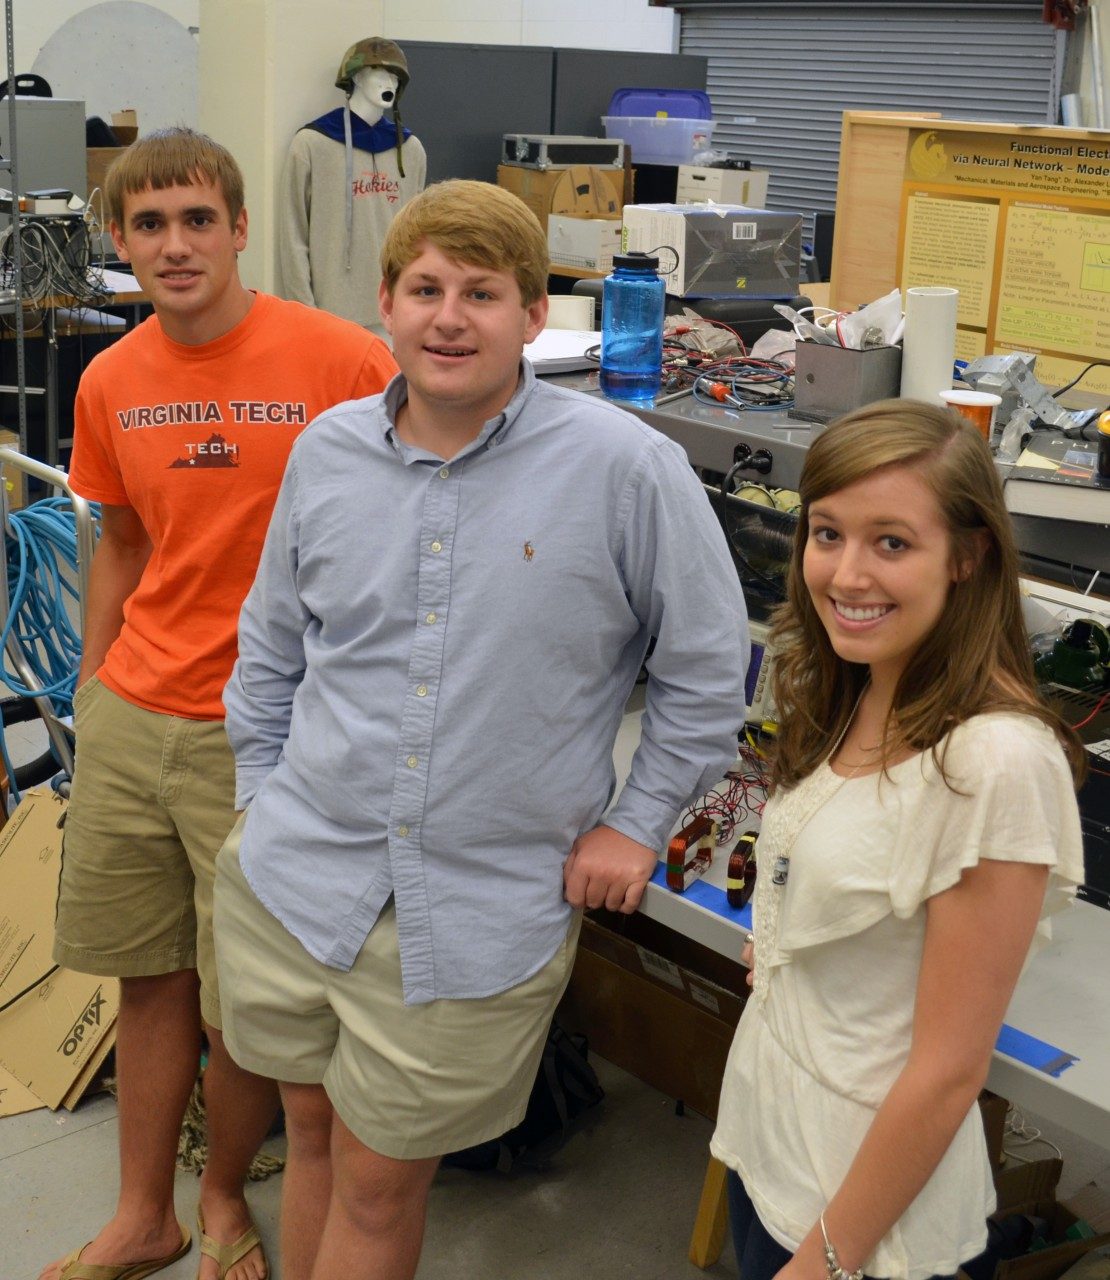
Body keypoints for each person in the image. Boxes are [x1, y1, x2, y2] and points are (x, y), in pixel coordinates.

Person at [214, 178, 749, 1280]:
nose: (449, 316)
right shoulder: (326, 454)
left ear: (532, 313)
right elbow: (270, 648)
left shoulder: (624, 469)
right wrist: (259, 797)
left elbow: (704, 671)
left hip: (473, 908)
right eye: (424, 288)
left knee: (378, 1178)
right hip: (295, 878)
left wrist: (638, 821)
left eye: (482, 292)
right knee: (310, 1134)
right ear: (387, 303)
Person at [45, 128, 398, 1280]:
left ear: (241, 227)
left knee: (248, 1000)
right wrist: (94, 687)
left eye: (199, 218)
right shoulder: (110, 378)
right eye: (150, 224)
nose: (177, 244)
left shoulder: (342, 359)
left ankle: (221, 1197)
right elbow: (125, 541)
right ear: (120, 243)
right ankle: (143, 1213)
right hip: (135, 713)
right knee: (148, 977)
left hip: (269, 734)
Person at [710, 400, 1086, 1280]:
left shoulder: (993, 763)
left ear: (967, 555)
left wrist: (825, 1261)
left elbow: (948, 1075)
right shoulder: (861, 685)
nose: (844, 574)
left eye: (891, 542)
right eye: (828, 532)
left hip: (866, 1225)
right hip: (777, 1152)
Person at [279, 37, 427, 336]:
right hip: (329, 315)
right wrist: (304, 309)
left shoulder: (410, 150)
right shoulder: (311, 144)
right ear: (356, 77)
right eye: (381, 73)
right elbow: (292, 232)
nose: (391, 82)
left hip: (394, 313)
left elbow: (417, 236)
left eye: (395, 76)